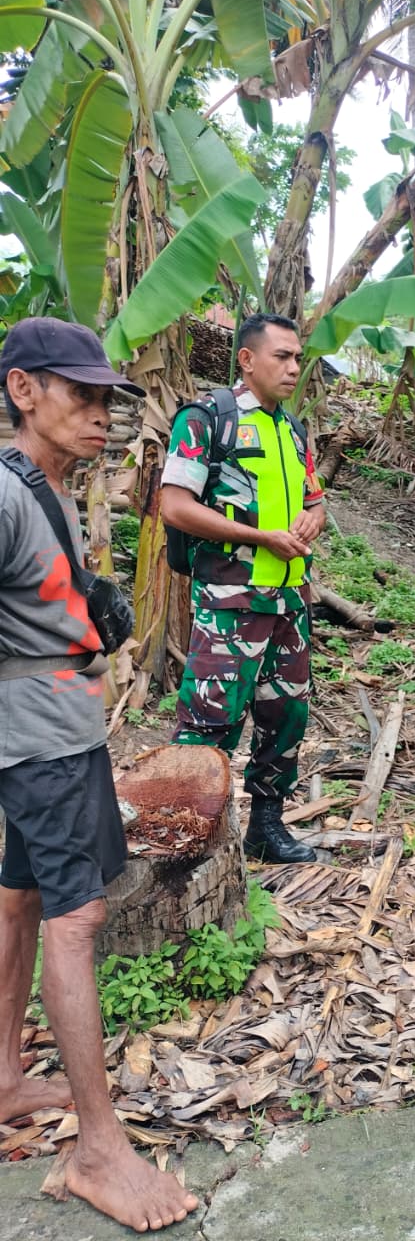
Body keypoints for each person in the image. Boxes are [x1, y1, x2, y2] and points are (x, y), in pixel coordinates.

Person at [0, 317, 199, 1231]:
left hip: (56, 731)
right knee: (76, 919)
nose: (100, 414)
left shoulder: (50, 489)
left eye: (106, 399)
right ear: (23, 390)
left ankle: (6, 1078)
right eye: (80, 395)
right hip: (38, 742)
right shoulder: (8, 495)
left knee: (21, 899)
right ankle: (98, 1149)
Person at [160, 313, 326, 864]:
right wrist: (259, 537)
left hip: (290, 599)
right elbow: (175, 506)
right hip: (230, 599)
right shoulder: (207, 419)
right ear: (248, 360)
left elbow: (316, 501)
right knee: (211, 718)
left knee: (285, 716)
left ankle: (265, 826)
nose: (294, 367)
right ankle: (187, 841)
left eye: (298, 357)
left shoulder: (292, 429)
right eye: (283, 356)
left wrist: (311, 520)